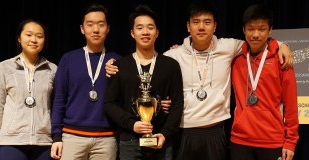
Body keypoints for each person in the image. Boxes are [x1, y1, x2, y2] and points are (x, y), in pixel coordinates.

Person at [105, 1, 294, 160]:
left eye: (207, 22)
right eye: (196, 22)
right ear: (188, 26)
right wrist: (114, 65)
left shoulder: (229, 47)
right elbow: (146, 66)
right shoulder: (174, 55)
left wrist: (280, 45)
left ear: (215, 26)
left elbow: (257, 39)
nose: (201, 27)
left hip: (216, 130)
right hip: (184, 131)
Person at [103, 4, 184, 160]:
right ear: (132, 33)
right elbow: (109, 104)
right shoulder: (119, 66)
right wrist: (131, 124)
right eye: (140, 28)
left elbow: (177, 104)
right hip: (130, 140)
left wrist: (165, 134)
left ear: (157, 32)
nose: (145, 32)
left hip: (161, 140)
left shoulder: (171, 65)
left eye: (150, 27)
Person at [50, 3, 121, 160]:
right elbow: (59, 99)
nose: (95, 30)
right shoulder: (68, 59)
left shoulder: (117, 61)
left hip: (106, 138)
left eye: (101, 24)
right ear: (82, 29)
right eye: (90, 25)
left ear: (108, 28)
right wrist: (56, 136)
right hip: (72, 137)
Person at [230, 4, 299, 160]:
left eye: (261, 29)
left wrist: (290, 141)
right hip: (240, 140)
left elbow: (291, 104)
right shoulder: (235, 59)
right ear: (243, 30)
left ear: (270, 30)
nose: (255, 34)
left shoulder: (282, 59)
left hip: (272, 141)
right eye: (250, 29)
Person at [0, 19, 57, 160]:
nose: (34, 40)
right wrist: (12, 128)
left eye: (39, 36)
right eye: (29, 35)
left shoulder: (53, 70)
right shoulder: (4, 67)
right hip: (12, 142)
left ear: (44, 41)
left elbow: (56, 105)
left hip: (44, 141)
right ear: (19, 39)